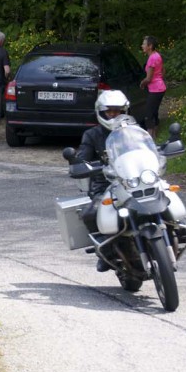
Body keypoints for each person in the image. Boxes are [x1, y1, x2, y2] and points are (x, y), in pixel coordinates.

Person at [75, 89, 132, 272]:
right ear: (101, 112)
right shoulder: (92, 135)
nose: (114, 115)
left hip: (133, 180)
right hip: (105, 184)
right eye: (110, 112)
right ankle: (104, 251)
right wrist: (80, 164)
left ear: (125, 112)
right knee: (90, 213)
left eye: (118, 111)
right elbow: (83, 158)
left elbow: (147, 148)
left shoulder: (134, 131)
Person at [139, 35, 166, 139]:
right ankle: (155, 134)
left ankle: (150, 138)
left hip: (155, 89)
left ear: (150, 46)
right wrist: (159, 78)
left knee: (148, 114)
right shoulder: (157, 55)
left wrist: (142, 83)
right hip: (160, 87)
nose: (142, 46)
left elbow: (148, 78)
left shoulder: (151, 59)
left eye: (144, 44)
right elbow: (163, 70)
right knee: (154, 111)